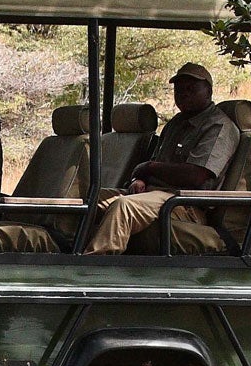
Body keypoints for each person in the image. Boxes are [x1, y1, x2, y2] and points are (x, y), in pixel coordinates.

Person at [85, 62, 241, 254]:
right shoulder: (176, 123)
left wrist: (148, 168)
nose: (183, 93)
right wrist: (139, 178)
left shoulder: (219, 127)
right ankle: (60, 249)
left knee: (123, 206)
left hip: (184, 204)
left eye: (191, 88)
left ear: (208, 91)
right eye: (179, 89)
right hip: (153, 196)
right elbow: (152, 163)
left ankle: (93, 267)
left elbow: (196, 175)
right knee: (92, 197)